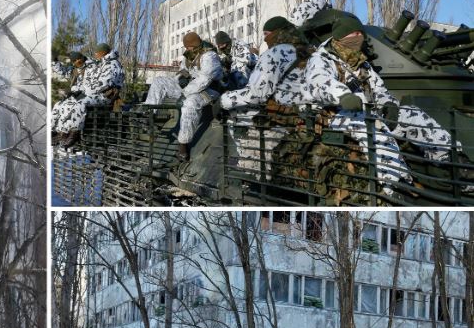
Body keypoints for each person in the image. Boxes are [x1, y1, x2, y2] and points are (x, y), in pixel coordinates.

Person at [305, 15, 465, 197]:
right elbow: (319, 83)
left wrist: (388, 104)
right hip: (336, 114)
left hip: (366, 110)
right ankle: (395, 183)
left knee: (412, 114)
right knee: (371, 125)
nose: (358, 38)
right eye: (353, 34)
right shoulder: (322, 59)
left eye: (360, 34)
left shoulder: (360, 61)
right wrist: (343, 95)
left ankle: (451, 161)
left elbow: (378, 88)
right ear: (340, 37)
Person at [219, 17, 314, 171]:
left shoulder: (275, 53)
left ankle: (247, 163)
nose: (265, 38)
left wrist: (224, 100)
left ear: (277, 33)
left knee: (235, 112)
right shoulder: (309, 50)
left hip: (285, 115)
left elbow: (256, 93)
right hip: (308, 114)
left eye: (266, 34)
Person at [51, 43, 124, 148]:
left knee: (79, 103)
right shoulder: (102, 63)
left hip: (105, 96)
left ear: (103, 53)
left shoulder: (111, 65)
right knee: (63, 104)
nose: (95, 55)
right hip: (93, 94)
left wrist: (82, 92)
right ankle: (61, 132)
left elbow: (103, 84)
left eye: (97, 53)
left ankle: (74, 134)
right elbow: (67, 73)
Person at [173, 32, 224, 161]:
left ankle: (183, 146)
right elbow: (183, 69)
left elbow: (205, 79)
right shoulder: (190, 54)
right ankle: (148, 115)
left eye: (189, 47)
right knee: (160, 82)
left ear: (195, 44)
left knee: (190, 103)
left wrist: (184, 93)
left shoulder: (209, 55)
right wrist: (181, 78)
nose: (187, 49)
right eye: (186, 47)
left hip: (210, 89)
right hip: (192, 87)